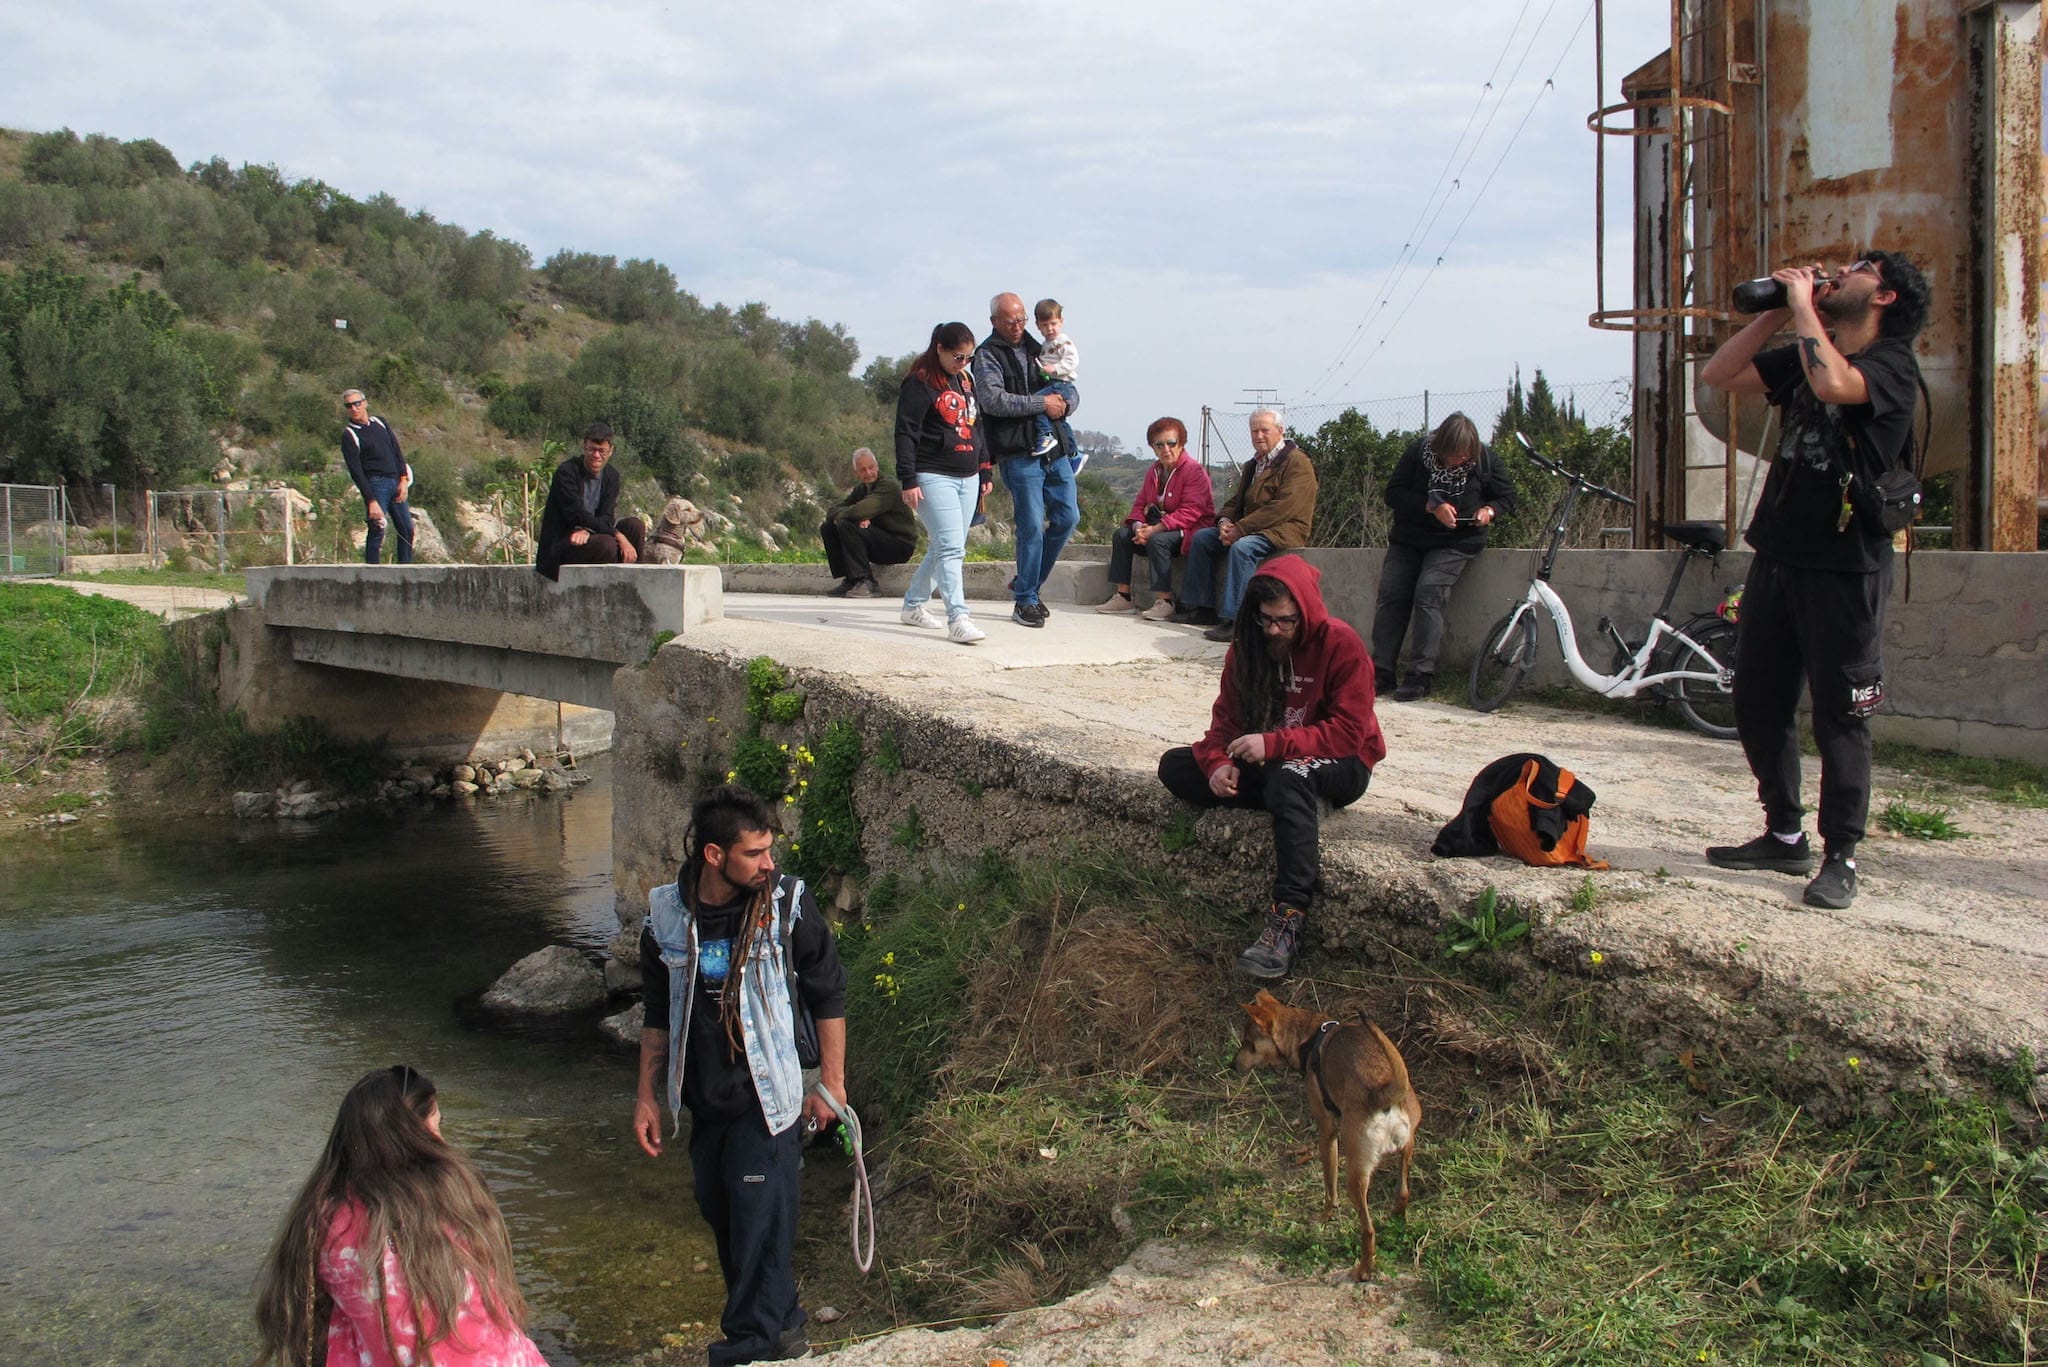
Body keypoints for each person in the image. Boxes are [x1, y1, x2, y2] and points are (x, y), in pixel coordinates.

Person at [1697, 251, 1929, 910]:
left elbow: (1835, 386)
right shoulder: (1807, 350)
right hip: (1779, 556)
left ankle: (1841, 855)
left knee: (1841, 716)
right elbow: (1720, 374)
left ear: (1884, 296)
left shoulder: (1892, 368)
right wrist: (1775, 312)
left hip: (1846, 568)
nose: (1838, 273)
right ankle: (1783, 832)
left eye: (1859, 268)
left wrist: (1803, 307)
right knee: (1758, 700)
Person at [634, 785, 849, 1367]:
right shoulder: (665, 914)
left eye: (769, 850)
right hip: (705, 1102)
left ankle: (746, 1348)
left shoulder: (787, 904)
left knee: (757, 1218)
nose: (768, 863)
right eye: (754, 853)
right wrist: (647, 1096)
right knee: (725, 1214)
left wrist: (831, 1085)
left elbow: (828, 992)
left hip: (768, 1099)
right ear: (714, 855)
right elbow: (657, 1012)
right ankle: (785, 1327)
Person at [1158, 557, 1384, 979]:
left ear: (1306, 612)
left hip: (1342, 762)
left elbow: (1349, 733)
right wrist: (1218, 765)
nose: (1275, 630)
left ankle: (1288, 918)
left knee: (1289, 775)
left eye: (1286, 621)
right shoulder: (1248, 647)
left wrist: (1274, 743)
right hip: (1273, 759)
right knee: (1176, 766)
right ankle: (1293, 806)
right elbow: (1223, 726)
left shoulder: (1341, 643)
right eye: (1266, 620)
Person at [253, 1065, 547, 1367]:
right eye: (436, 1127)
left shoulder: (321, 1218)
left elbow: (307, 1317)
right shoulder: (452, 1195)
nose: (442, 1142)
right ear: (413, 1138)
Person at [1371, 412, 1518, 702]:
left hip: (1457, 541)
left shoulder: (1485, 460)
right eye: (1452, 455)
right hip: (1409, 539)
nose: (1457, 461)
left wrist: (1488, 511)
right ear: (1439, 446)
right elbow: (1393, 493)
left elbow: (1507, 497)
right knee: (1392, 593)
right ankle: (1381, 671)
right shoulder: (1418, 453)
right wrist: (1431, 506)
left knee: (1429, 591)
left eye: (1463, 457)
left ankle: (1420, 674)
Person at [975, 292, 1076, 628]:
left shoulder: (1040, 347)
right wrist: (1041, 404)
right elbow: (993, 400)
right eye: (1010, 321)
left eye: (1021, 320)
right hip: (1018, 453)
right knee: (1031, 525)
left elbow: (1068, 384)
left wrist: (1066, 403)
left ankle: (1026, 583)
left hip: (1055, 448)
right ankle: (1026, 599)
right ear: (994, 322)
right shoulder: (987, 355)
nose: (1018, 326)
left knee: (1068, 518)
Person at [1173, 410, 1319, 641]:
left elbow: (1282, 508)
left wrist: (1240, 530)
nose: (1258, 436)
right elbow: (1237, 501)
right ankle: (1201, 607)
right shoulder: (1254, 464)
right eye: (1254, 431)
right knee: (1202, 538)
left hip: (1284, 528)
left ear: (1280, 431)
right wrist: (1224, 522)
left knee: (1243, 548)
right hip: (1250, 527)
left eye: (1264, 430)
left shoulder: (1297, 463)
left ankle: (1236, 620)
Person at [893, 322, 994, 645]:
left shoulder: (965, 380)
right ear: (940, 349)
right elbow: (906, 431)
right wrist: (908, 478)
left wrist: (985, 469)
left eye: (968, 357)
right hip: (932, 473)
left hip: (968, 474)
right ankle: (958, 618)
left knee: (945, 546)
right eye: (957, 357)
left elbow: (976, 426)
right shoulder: (920, 382)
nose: (962, 363)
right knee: (951, 548)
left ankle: (913, 604)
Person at [1094, 416, 1216, 621]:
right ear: (1153, 447)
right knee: (1122, 535)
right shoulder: (1155, 471)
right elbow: (1140, 504)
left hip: (1188, 530)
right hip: (1157, 526)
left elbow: (1191, 511)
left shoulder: (1194, 471)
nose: (1166, 449)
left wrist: (1156, 529)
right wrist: (1139, 527)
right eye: (1159, 445)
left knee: (1158, 541)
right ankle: (1123, 596)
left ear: (1181, 443)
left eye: (1171, 443)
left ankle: (1165, 600)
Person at [534, 421, 647, 581]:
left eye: (602, 451)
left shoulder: (611, 476)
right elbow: (575, 514)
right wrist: (618, 535)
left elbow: (607, 516)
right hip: (566, 540)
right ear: (584, 447)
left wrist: (589, 531)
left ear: (610, 451)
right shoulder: (567, 472)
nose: (596, 456)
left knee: (635, 526)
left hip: (593, 534)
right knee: (607, 544)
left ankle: (636, 582)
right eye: (592, 449)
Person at [818, 447, 917, 599]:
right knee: (828, 528)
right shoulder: (861, 490)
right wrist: (851, 515)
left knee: (845, 523)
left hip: (899, 544)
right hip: (879, 539)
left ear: (877, 467)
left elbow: (860, 510)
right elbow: (833, 510)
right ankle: (851, 580)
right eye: (863, 470)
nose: (868, 473)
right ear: (856, 473)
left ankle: (866, 581)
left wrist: (854, 515)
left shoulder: (888, 486)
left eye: (871, 467)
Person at [340, 388, 414, 565]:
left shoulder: (380, 423)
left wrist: (403, 479)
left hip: (395, 480)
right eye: (349, 406)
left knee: (406, 529)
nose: (354, 408)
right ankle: (372, 571)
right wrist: (371, 500)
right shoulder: (350, 434)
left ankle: (405, 569)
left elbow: (396, 451)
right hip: (376, 483)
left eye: (357, 403)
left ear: (365, 403)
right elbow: (356, 472)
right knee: (377, 528)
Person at [1029, 298, 1082, 471]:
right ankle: (1074, 453)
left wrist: (1054, 369)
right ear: (1038, 325)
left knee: (1036, 402)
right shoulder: (1045, 345)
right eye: (1045, 325)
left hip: (1061, 383)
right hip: (1052, 382)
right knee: (1061, 421)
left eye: (1053, 324)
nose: (1050, 329)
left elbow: (1072, 362)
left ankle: (1046, 435)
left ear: (1061, 321)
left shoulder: (1063, 342)